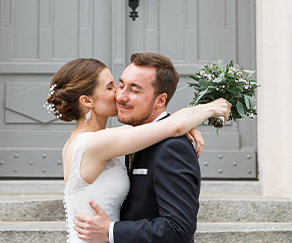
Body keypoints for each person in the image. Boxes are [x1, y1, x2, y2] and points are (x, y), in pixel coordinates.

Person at [46, 56, 230, 243]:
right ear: (87, 101)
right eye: (112, 87)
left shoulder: (96, 139)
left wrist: (184, 125)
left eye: (130, 88)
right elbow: (172, 126)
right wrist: (211, 108)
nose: (119, 94)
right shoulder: (96, 143)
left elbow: (158, 129)